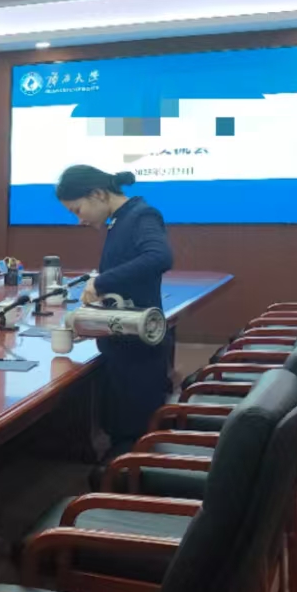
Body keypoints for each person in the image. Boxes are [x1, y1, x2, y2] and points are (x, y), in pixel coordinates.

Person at [55, 165, 174, 456]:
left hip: (138, 352)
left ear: (98, 194)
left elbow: (159, 256)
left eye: (77, 210)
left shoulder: (141, 215)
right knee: (118, 428)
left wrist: (102, 281)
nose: (79, 220)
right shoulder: (120, 220)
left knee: (132, 437)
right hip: (123, 345)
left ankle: (125, 480)